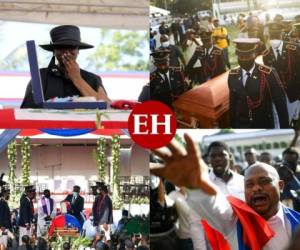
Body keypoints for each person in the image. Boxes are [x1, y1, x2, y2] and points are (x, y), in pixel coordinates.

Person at [151, 133, 300, 250]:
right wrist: (195, 186)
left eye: (264, 182)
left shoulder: (296, 222)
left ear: (280, 185)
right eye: (249, 185)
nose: (256, 188)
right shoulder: (235, 223)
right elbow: (216, 207)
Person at [21, 25, 110, 108]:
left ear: (78, 50)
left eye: (71, 47)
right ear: (54, 51)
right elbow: (27, 110)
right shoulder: (40, 76)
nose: (66, 52)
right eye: (61, 47)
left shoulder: (92, 78)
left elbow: (108, 107)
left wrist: (77, 79)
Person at [228, 38, 289, 128]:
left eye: (247, 56)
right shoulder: (233, 75)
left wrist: (285, 129)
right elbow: (233, 102)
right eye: (241, 57)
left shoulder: (268, 74)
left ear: (254, 55)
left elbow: (280, 104)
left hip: (263, 124)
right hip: (242, 124)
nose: (244, 59)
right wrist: (233, 125)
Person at [262, 22, 300, 122]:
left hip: (294, 90)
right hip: (278, 93)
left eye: (276, 35)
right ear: (268, 36)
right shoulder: (266, 55)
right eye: (272, 35)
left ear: (281, 35)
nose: (274, 38)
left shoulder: (294, 48)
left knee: (292, 116)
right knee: (282, 119)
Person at [0, 185, 12, 250]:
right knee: (3, 244)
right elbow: (1, 214)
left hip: (4, 226)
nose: (9, 194)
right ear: (4, 193)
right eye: (8, 192)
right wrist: (2, 225)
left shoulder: (4, 201)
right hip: (3, 227)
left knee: (4, 244)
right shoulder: (2, 202)